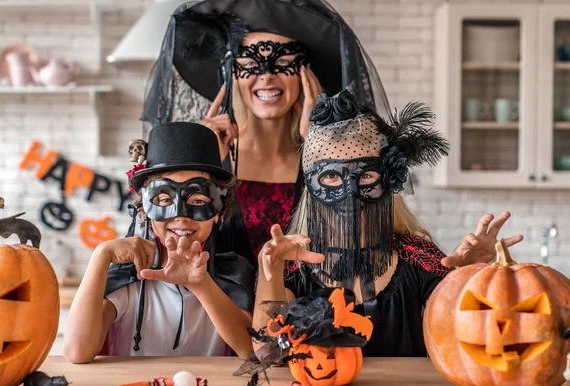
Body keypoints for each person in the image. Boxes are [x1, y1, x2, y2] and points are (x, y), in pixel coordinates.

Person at [252, 91, 522, 357]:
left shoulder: (418, 260)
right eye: (332, 176)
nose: (350, 193)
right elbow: (267, 353)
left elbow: (463, 339)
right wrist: (272, 271)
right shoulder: (293, 268)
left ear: (388, 181)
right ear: (311, 187)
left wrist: (469, 276)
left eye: (366, 174)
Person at [142, 0, 391, 267]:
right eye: (249, 62)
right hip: (215, 304)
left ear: (306, 73)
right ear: (232, 74)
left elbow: (358, 234)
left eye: (283, 62)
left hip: (311, 304)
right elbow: (163, 247)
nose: (266, 76)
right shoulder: (214, 156)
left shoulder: (335, 156)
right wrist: (205, 166)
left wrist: (319, 144)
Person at [63, 122, 255, 362]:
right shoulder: (131, 276)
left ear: (220, 212)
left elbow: (252, 350)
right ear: (144, 210)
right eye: (163, 199)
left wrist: (201, 285)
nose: (180, 215)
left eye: (197, 200)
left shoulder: (233, 273)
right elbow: (77, 351)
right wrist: (100, 256)